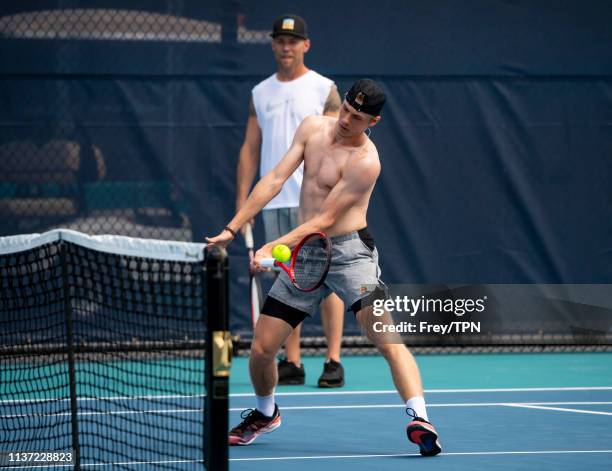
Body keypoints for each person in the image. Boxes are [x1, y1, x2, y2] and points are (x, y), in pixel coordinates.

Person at [206, 79, 442, 456]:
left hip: (351, 256)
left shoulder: (367, 162)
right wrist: (233, 228)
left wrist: (276, 244)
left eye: (358, 117)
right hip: (307, 254)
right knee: (263, 349)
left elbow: (327, 218)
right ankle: (265, 414)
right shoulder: (313, 128)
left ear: (373, 122)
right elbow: (275, 178)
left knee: (387, 339)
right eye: (346, 109)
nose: (346, 119)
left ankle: (420, 419)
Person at [235, 14, 345, 387]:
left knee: (326, 279)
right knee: (286, 278)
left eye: (293, 41)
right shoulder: (260, 92)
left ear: (305, 45)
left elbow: (338, 145)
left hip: (315, 205)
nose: (286, 46)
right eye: (280, 41)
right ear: (273, 45)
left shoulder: (323, 88)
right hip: (274, 202)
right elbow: (250, 150)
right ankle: (293, 360)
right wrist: (243, 205)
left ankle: (333, 359)